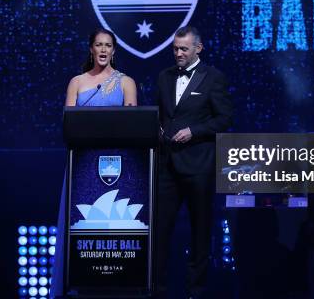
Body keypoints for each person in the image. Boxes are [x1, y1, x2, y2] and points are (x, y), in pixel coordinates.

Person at [51, 27, 137, 298]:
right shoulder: (77, 82)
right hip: (82, 165)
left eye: (108, 45)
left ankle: (118, 281)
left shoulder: (126, 83)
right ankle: (79, 278)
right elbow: (69, 123)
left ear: (114, 50)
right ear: (91, 48)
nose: (103, 50)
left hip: (116, 166)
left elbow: (132, 125)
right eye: (98, 45)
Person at [155, 26, 232, 299]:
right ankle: (159, 291)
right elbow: (161, 114)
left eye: (183, 49)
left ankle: (195, 292)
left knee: (200, 233)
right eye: (175, 49)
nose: (178, 53)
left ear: (198, 48)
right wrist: (159, 131)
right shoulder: (164, 77)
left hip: (199, 166)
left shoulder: (213, 78)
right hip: (167, 168)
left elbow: (224, 119)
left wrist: (193, 131)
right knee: (160, 232)